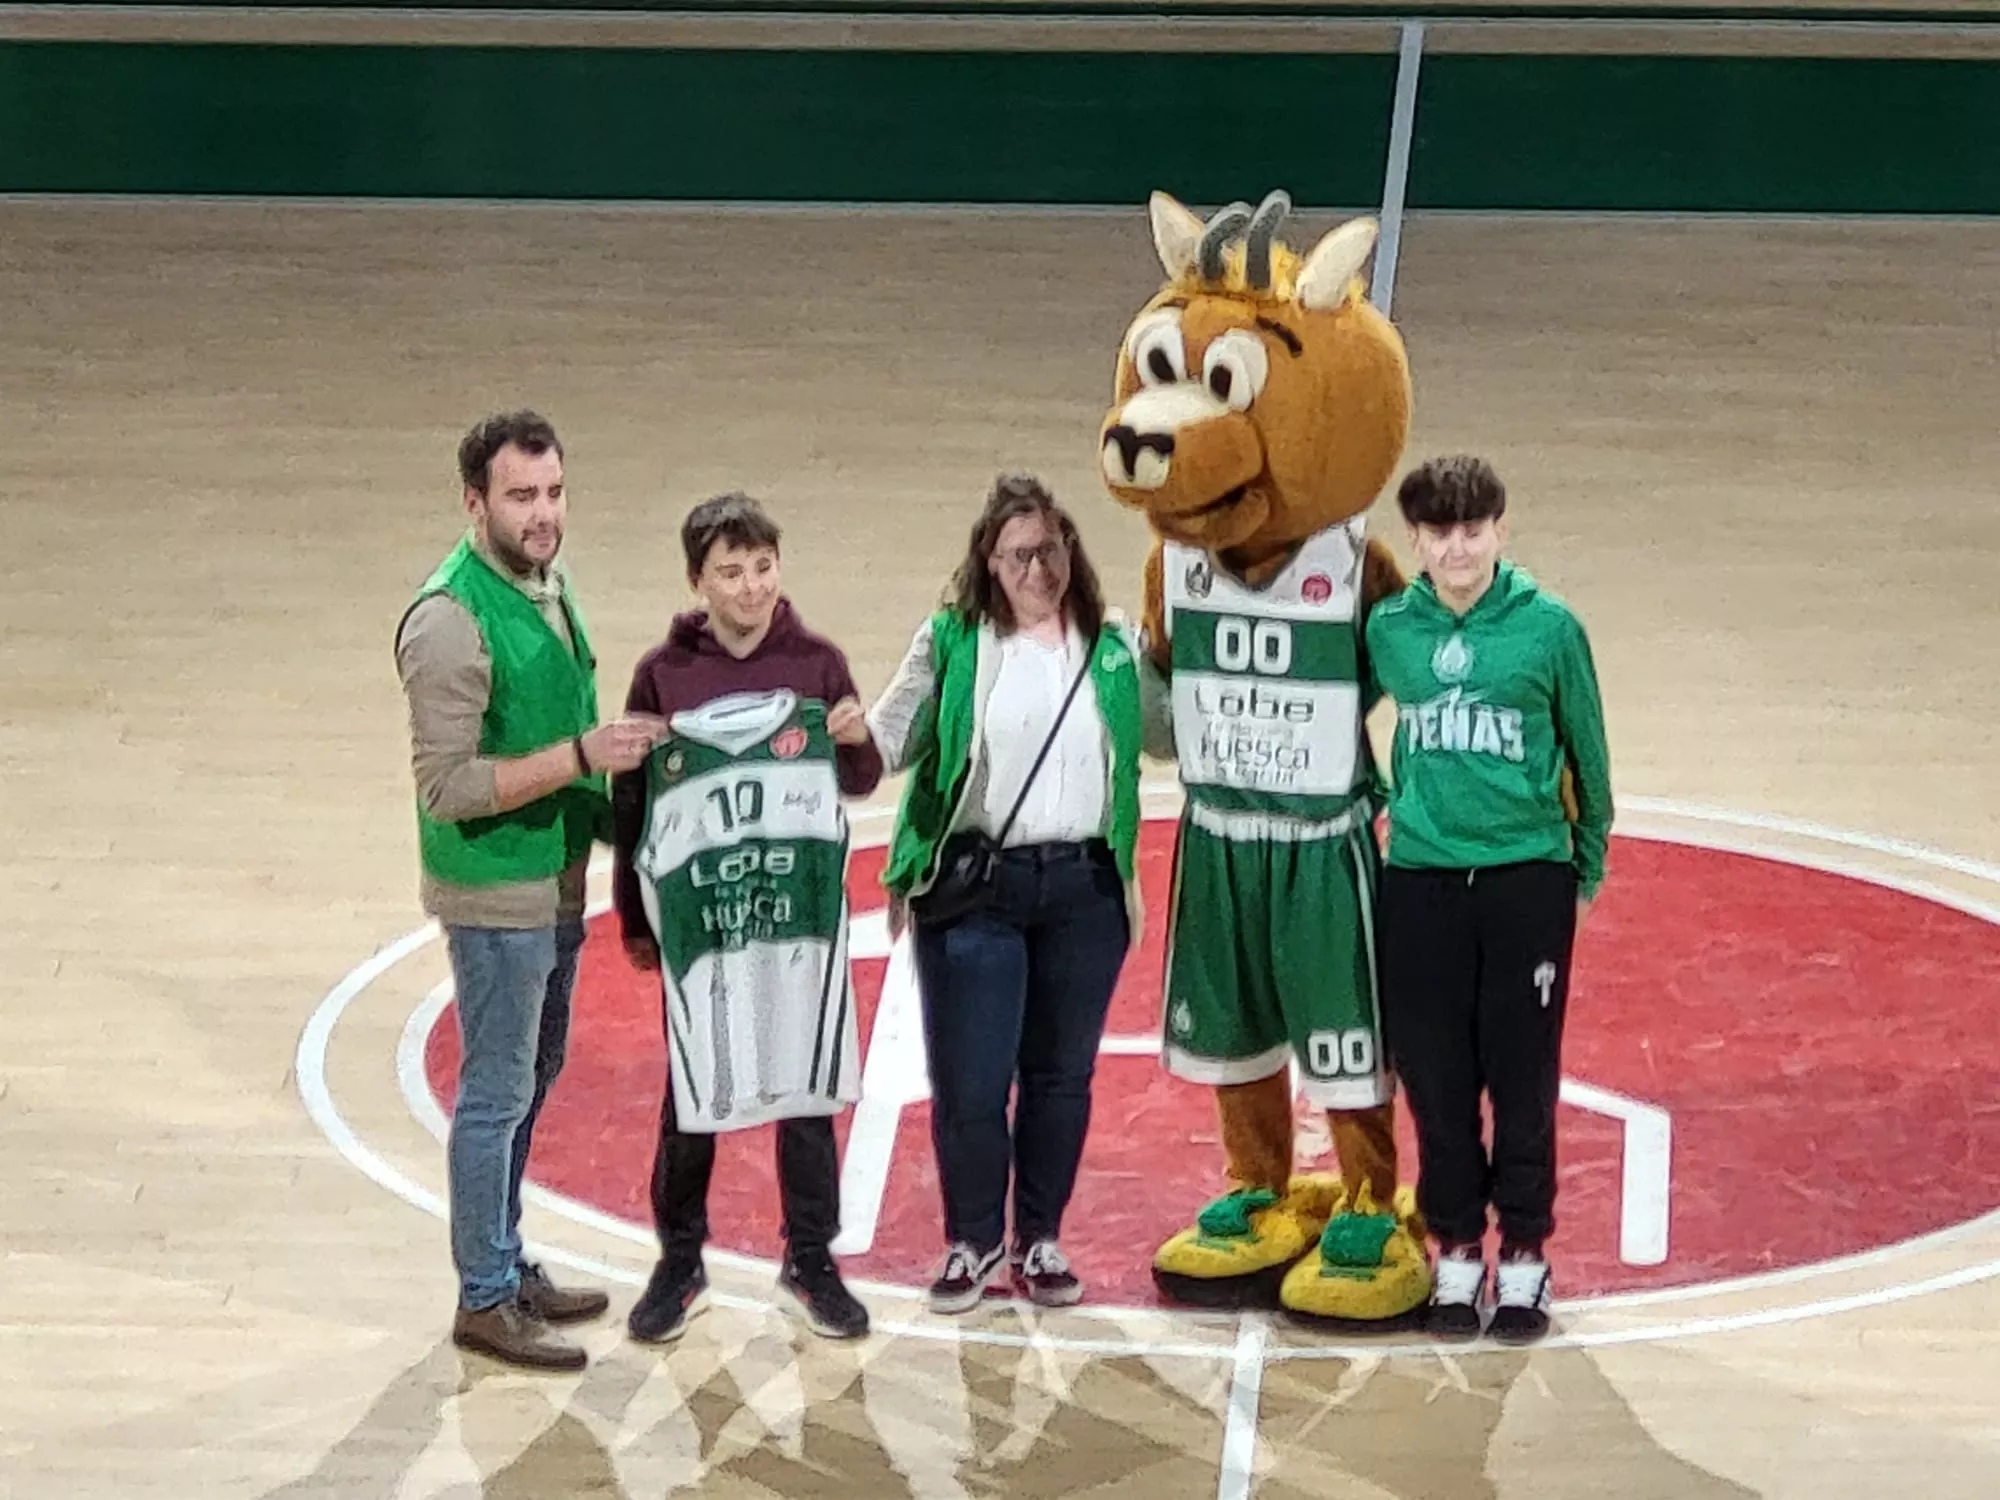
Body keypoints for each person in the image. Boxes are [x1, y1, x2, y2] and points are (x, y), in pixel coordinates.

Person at [396, 410, 665, 1371]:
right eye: (521, 497)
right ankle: (482, 1296)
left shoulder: (540, 581)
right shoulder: (447, 621)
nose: (544, 514)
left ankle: (506, 1265)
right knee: (496, 1092)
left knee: (530, 1081)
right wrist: (585, 757)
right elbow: (451, 785)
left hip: (549, 879)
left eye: (553, 492)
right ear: (475, 502)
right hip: (495, 894)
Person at [868, 473, 1145, 1314]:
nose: (1041, 567)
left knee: (1062, 1079)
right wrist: (796, 733)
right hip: (978, 891)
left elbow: (1172, 733)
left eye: (1054, 548)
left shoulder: (1112, 646)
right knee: (973, 1082)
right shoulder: (952, 640)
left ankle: (1040, 1238)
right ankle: (973, 1242)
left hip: (1086, 891)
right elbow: (883, 743)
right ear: (989, 560)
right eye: (1022, 552)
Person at [613, 492, 883, 1343]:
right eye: (729, 572)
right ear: (698, 581)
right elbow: (635, 808)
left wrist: (852, 737)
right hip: (706, 924)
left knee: (805, 1088)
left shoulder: (818, 665)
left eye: (762, 567)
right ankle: (679, 1259)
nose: (750, 587)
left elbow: (863, 780)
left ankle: (811, 1258)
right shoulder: (665, 676)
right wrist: (635, 918)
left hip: (796, 920)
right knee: (694, 1086)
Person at [1365, 454, 1614, 1344]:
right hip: (1422, 880)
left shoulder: (1548, 630)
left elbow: (1590, 754)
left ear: (1501, 532)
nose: (1457, 547)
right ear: (1417, 541)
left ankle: (1525, 1256)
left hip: (1525, 878)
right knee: (1434, 1077)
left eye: (1473, 530)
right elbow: (1338, 716)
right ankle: (1458, 1247)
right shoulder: (1390, 629)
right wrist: (1378, 798)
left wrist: (1582, 872)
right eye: (1439, 533)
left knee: (1521, 1076)